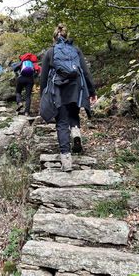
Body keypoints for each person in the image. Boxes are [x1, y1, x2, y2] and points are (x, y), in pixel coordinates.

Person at [40, 23, 97, 171]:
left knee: (62, 123)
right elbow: (85, 71)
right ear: (67, 35)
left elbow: (43, 77)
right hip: (76, 88)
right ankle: (76, 132)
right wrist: (92, 91)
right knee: (74, 113)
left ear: (54, 37)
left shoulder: (50, 52)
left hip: (58, 91)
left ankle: (66, 160)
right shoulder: (75, 50)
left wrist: (43, 97)